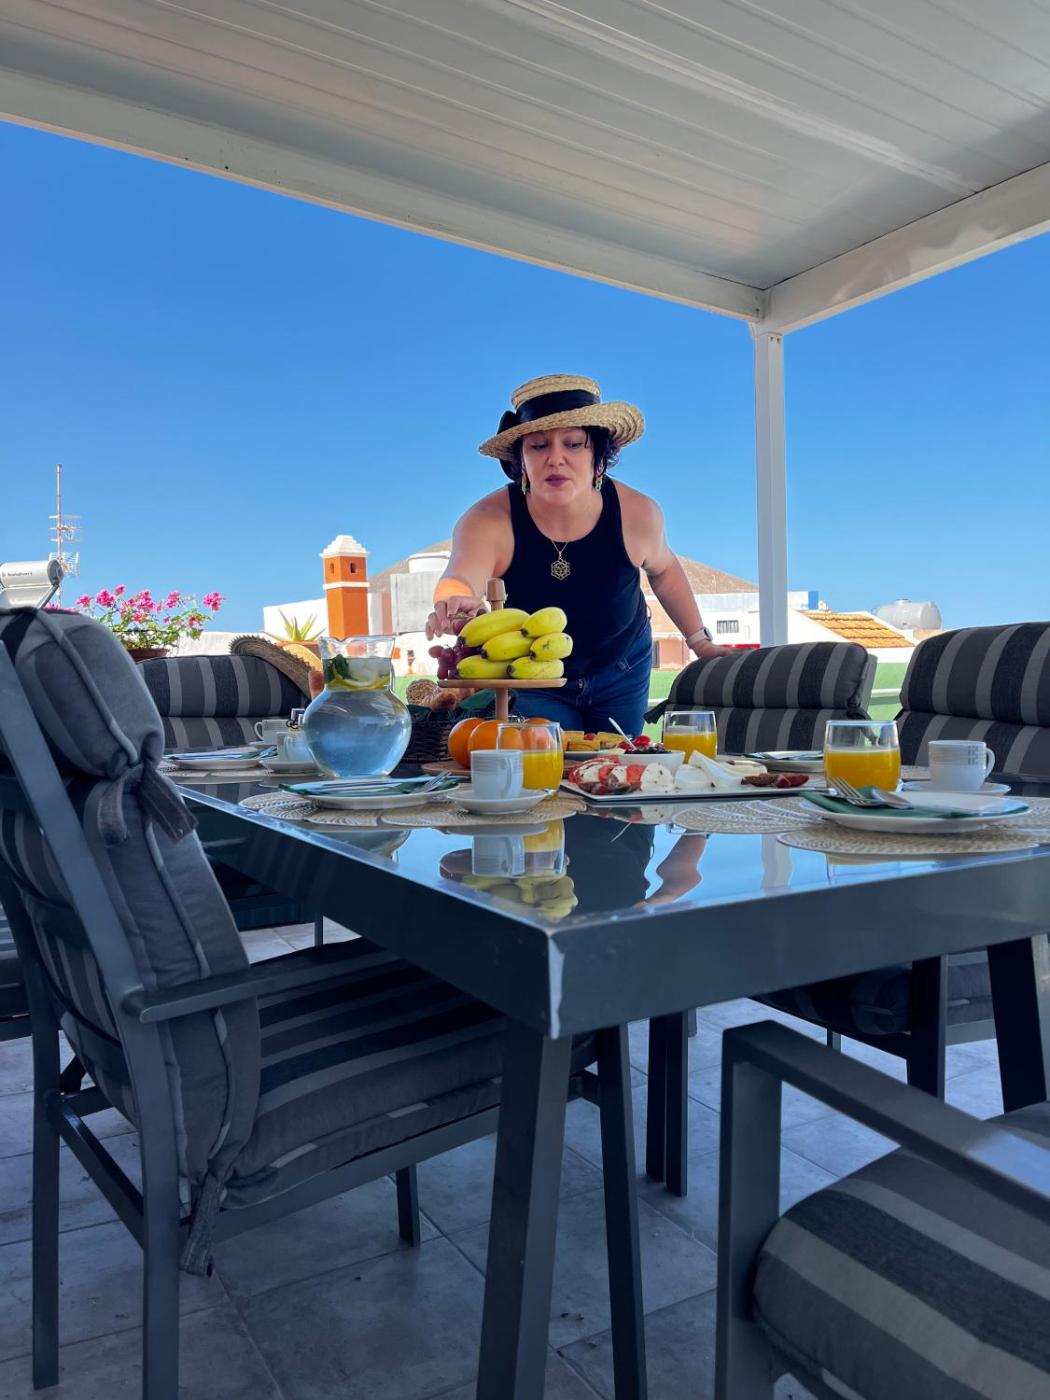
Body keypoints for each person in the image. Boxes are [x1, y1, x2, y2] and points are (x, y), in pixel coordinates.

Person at [426, 373, 730, 735]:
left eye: (573, 444)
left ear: (598, 457)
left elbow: (664, 571)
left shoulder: (639, 514)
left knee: (619, 763)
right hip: (533, 675)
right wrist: (454, 601)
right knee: (548, 761)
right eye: (538, 446)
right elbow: (460, 578)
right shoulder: (487, 520)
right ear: (521, 460)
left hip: (623, 668)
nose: (556, 459)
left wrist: (699, 642)